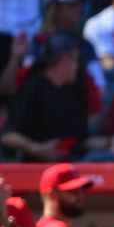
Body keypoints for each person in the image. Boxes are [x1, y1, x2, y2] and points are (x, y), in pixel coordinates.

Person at [1, 32, 100, 162]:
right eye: (75, 59)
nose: (77, 66)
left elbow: (81, 140)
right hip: (35, 169)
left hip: (73, 165)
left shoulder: (75, 92)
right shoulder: (32, 90)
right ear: (63, 59)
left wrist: (110, 142)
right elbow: (7, 136)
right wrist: (35, 148)